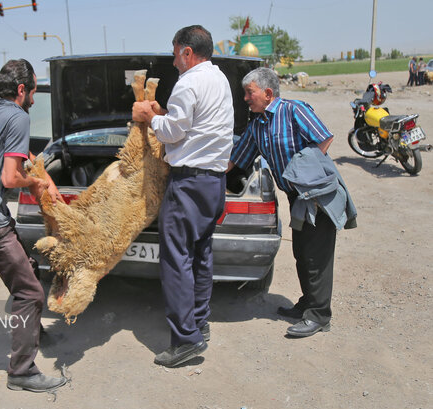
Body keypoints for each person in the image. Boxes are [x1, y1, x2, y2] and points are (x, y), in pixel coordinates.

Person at [0, 59, 67, 392]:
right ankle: (21, 371)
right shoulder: (19, 115)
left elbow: (19, 154)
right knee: (30, 292)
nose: (34, 97)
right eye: (33, 89)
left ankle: (33, 333)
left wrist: (42, 173)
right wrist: (36, 185)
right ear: (22, 90)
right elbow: (10, 176)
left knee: (28, 268)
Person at [227, 67, 356, 338]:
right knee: (301, 252)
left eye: (249, 93)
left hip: (316, 194)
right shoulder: (257, 126)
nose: (246, 99)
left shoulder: (293, 110)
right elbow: (237, 159)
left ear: (268, 92)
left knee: (317, 255)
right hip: (296, 197)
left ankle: (320, 316)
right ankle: (308, 304)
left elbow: (325, 137)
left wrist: (305, 173)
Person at [132, 25, 233, 367]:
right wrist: (165, 115)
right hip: (213, 182)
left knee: (176, 260)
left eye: (175, 53)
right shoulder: (218, 78)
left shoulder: (188, 82)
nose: (174, 61)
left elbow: (174, 132)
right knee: (201, 253)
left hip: (188, 183)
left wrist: (150, 118)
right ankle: (200, 325)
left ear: (187, 52)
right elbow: (194, 126)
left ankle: (185, 340)